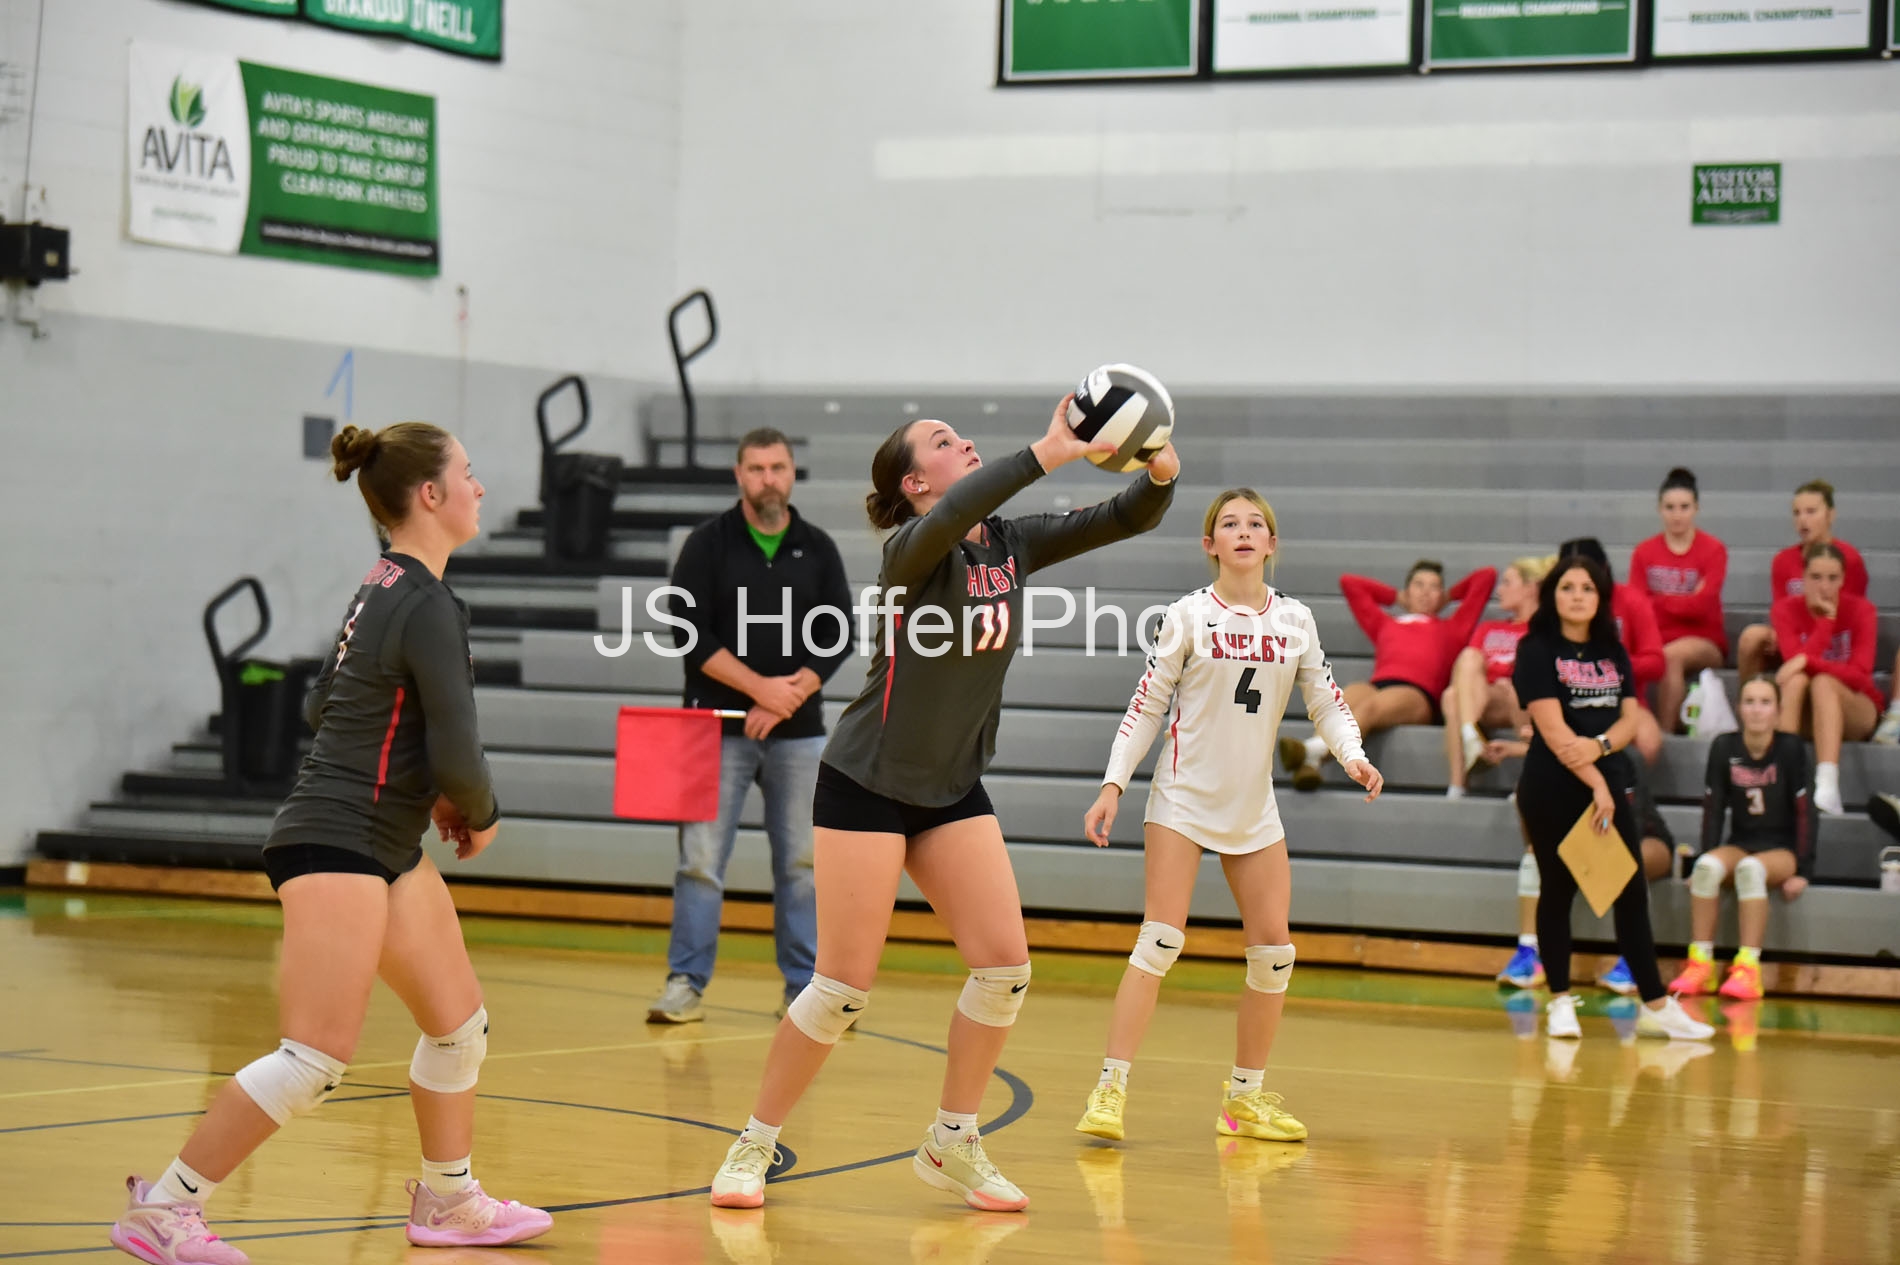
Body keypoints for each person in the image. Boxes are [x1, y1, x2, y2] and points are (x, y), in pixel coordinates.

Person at [706, 397, 1179, 1213]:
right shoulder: (910, 550)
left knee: (1004, 968)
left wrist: (1158, 469)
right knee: (840, 988)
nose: (964, 442)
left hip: (952, 787)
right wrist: (1049, 450)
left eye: (961, 436)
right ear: (915, 482)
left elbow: (1124, 515)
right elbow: (960, 510)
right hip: (866, 781)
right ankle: (753, 1141)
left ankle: (952, 1139)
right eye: (942, 441)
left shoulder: (1011, 543)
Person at [109, 423, 552, 1265]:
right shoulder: (424, 601)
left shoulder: (381, 584)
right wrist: (478, 808)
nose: (480, 487)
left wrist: (422, 785)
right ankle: (163, 1208)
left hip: (383, 839)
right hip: (338, 838)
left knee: (459, 1027)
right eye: (469, 473)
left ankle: (449, 1198)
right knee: (313, 1058)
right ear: (431, 494)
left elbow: (323, 705)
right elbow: (458, 746)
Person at [1073, 489, 1383, 1146]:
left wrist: (1352, 755)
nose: (1243, 531)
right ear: (1209, 544)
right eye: (1229, 523)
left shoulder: (1296, 619)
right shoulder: (1187, 615)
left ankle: (1243, 1102)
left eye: (1255, 523)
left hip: (1252, 807)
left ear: (1272, 543)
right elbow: (1146, 706)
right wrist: (1112, 785)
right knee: (1160, 939)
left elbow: (1327, 701)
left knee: (1274, 954)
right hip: (1182, 799)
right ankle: (1109, 1087)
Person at [650, 429, 855, 1024]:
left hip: (799, 733)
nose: (769, 479)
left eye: (778, 467)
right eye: (757, 468)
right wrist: (759, 690)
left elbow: (838, 631)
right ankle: (685, 984)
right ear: (739, 475)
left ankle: (804, 990)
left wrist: (786, 698)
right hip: (714, 730)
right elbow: (689, 633)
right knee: (699, 862)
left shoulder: (818, 547)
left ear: (792, 474)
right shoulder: (706, 544)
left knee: (802, 866)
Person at [1511, 553, 1713, 1042]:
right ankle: (1561, 1001)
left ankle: (1657, 1004)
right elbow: (1554, 732)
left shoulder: (1612, 649)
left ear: (1600, 598)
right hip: (1552, 785)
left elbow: (1629, 720)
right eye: (1567, 587)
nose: (1577, 596)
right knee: (1557, 889)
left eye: (1587, 588)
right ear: (1552, 595)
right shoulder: (1536, 649)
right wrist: (1597, 783)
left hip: (1608, 777)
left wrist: (1601, 748)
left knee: (1630, 890)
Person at [1280, 560, 1495, 790]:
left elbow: (1486, 577)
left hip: (1418, 694)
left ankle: (1312, 750)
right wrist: (1396, 597)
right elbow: (1350, 584)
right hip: (1379, 684)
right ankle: (1311, 764)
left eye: (1434, 587)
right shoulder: (1386, 624)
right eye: (1419, 585)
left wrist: (1450, 595)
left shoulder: (1454, 627)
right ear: (1407, 591)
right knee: (1343, 698)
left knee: (1371, 707)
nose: (1425, 592)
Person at [1667, 677, 1814, 1002]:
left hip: (1781, 848)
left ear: (1778, 711)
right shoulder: (1724, 747)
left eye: (1765, 702)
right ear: (1739, 709)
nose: (1757, 710)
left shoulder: (1791, 749)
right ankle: (1700, 964)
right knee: (1706, 868)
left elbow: (1806, 812)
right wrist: (1706, 855)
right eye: (1749, 702)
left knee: (1750, 870)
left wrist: (1804, 870)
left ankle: (1748, 968)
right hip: (1742, 841)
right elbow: (1714, 808)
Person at [1771, 542, 1884, 815]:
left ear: (1843, 579)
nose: (1824, 586)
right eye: (1816, 577)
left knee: (1822, 682)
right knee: (1796, 682)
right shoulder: (1785, 610)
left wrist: (1808, 662)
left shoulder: (1862, 610)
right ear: (1803, 577)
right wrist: (1826, 623)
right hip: (1808, 710)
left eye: (1833, 578)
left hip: (1856, 707)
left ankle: (1827, 786)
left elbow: (1859, 676)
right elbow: (1794, 668)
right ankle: (1783, 781)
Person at [1735, 479, 1870, 682]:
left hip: (1832, 637)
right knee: (1752, 636)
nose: (1802, 520)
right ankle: (1750, 696)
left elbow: (1851, 613)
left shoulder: (1850, 559)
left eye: (1811, 512)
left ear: (1831, 515)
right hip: (1794, 639)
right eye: (1797, 513)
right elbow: (1781, 608)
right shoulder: (1783, 560)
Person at [1627, 468, 1728, 736]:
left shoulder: (1713, 550)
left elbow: (1701, 607)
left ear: (1696, 508)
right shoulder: (1644, 552)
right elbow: (1637, 606)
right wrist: (1686, 600)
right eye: (1670, 507)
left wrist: (1658, 600)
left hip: (1704, 640)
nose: (1677, 514)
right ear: (1659, 509)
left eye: (1684, 507)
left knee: (1670, 657)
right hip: (1656, 637)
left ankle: (1665, 735)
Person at [1443, 554, 1554, 797]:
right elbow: (1465, 673)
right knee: (1455, 688)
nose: (1500, 590)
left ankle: (1529, 781)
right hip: (1486, 700)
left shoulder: (1545, 630)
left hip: (1524, 700)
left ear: (1530, 588)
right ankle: (1461, 772)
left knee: (1517, 686)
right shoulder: (1489, 628)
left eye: (1507, 583)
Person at [1558, 538, 1664, 765]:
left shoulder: (1632, 601)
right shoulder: (1553, 608)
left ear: (1604, 570)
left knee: (1649, 740)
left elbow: (1656, 663)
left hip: (1623, 700)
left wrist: (1609, 666)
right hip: (1566, 699)